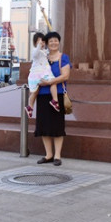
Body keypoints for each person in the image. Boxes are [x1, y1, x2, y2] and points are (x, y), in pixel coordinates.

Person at [34, 31, 70, 166]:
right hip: (42, 95)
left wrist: (49, 82)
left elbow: (65, 76)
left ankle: (57, 155)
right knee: (44, 126)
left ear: (59, 42)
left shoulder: (63, 58)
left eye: (56, 40)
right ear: (46, 44)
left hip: (57, 95)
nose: (54, 43)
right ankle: (48, 155)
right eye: (51, 41)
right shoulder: (42, 56)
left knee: (57, 126)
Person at [25, 32, 59, 118]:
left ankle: (54, 100)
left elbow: (50, 54)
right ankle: (30, 106)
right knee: (35, 91)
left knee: (52, 82)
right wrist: (39, 46)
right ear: (35, 43)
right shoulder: (35, 51)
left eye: (43, 41)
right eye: (39, 41)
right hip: (37, 74)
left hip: (43, 73)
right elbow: (35, 54)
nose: (41, 43)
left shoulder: (45, 52)